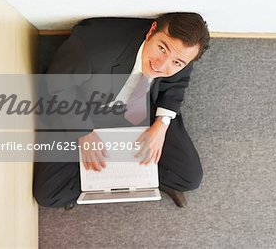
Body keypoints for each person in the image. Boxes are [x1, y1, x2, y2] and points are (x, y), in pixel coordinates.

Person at [33, 12, 210, 208]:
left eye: (176, 63)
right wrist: (83, 132)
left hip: (141, 109)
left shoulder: (183, 54)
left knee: (188, 177)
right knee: (48, 193)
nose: (161, 65)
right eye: (161, 48)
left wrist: (161, 125)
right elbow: (57, 84)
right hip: (86, 107)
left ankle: (107, 178)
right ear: (152, 31)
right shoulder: (93, 44)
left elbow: (177, 83)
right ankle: (121, 177)